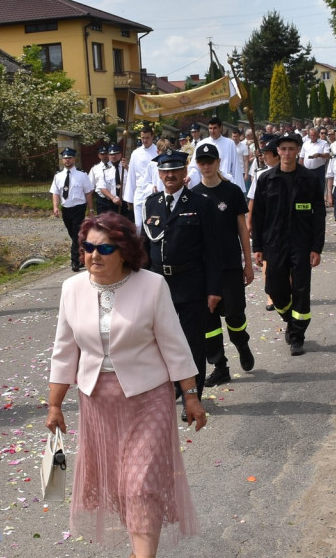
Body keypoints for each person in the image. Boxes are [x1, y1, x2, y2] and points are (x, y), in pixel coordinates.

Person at [47, 213, 202, 556]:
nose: (93, 255)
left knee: (141, 485)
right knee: (119, 486)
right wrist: (55, 404)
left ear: (125, 252)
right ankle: (139, 547)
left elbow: (173, 343)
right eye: (88, 247)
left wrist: (190, 396)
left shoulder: (151, 285)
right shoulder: (71, 289)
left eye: (104, 248)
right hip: (99, 402)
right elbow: (64, 350)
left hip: (148, 400)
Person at [142, 149, 222, 411]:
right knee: (160, 343)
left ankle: (193, 398)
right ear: (159, 174)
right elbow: (144, 249)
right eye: (165, 171)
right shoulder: (150, 203)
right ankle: (172, 389)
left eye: (175, 170)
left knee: (191, 344)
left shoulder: (201, 204)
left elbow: (213, 249)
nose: (170, 176)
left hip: (190, 285)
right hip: (158, 286)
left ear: (185, 173)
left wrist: (213, 289)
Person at [250, 132, 325, 356]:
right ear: (277, 151)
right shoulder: (266, 179)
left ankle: (297, 336)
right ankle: (290, 319)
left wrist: (316, 247)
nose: (286, 153)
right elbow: (258, 216)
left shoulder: (309, 180)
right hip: (274, 244)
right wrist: (258, 247)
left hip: (301, 243)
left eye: (291, 149)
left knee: (301, 289)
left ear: (298, 151)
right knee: (274, 288)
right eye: (283, 149)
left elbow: (318, 215)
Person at [190, 143, 256, 384]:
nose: (206, 166)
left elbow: (242, 229)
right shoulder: (193, 194)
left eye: (210, 161)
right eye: (202, 162)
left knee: (235, 315)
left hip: (229, 265)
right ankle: (220, 365)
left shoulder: (232, 191)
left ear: (218, 162)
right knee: (209, 322)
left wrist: (248, 264)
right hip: (204, 269)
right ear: (197, 165)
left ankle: (242, 344)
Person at [50, 148, 95, 272]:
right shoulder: (58, 176)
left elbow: (88, 193)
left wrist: (91, 209)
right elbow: (55, 193)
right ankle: (84, 254)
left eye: (69, 158)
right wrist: (55, 207)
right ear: (62, 160)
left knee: (76, 234)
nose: (67, 160)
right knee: (73, 234)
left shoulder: (82, 175)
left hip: (79, 208)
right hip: (66, 209)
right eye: (65, 158)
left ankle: (75, 261)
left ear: (74, 159)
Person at [124, 124, 158, 230]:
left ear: (152, 136)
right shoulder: (136, 153)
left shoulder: (157, 152)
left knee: (152, 223)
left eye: (147, 138)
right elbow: (131, 175)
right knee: (138, 225)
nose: (144, 140)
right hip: (139, 193)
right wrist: (129, 197)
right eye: (142, 138)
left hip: (153, 192)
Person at [299, 127, 331, 196]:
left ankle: (319, 203)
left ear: (317, 135)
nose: (312, 137)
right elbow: (301, 158)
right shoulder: (305, 144)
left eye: (314, 135)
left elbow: (327, 155)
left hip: (319, 169)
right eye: (311, 135)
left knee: (319, 188)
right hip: (307, 170)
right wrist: (300, 169)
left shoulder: (324, 143)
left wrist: (319, 155)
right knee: (307, 188)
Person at [101, 144, 127, 216]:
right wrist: (113, 198)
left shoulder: (127, 168)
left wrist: (127, 168)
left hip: (126, 203)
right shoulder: (105, 170)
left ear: (120, 154)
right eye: (111, 154)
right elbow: (102, 188)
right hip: (112, 203)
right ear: (108, 156)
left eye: (116, 154)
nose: (113, 156)